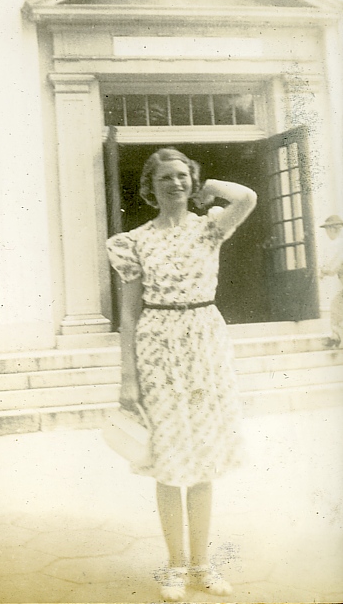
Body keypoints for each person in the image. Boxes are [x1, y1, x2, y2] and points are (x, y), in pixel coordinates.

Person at [106, 147, 257, 601]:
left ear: (192, 182)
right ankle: (174, 566)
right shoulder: (132, 242)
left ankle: (203, 566)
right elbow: (129, 315)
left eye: (182, 175)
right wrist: (127, 377)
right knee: (169, 462)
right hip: (157, 346)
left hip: (205, 344)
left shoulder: (210, 228)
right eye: (164, 178)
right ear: (149, 188)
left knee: (205, 459)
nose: (175, 183)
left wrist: (210, 187)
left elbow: (246, 197)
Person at [319, 214, 343, 348]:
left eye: (328, 229)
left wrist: (324, 271)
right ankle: (337, 336)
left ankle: (336, 336)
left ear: (333, 229)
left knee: (336, 306)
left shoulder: (338, 243)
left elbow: (334, 265)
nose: (327, 233)